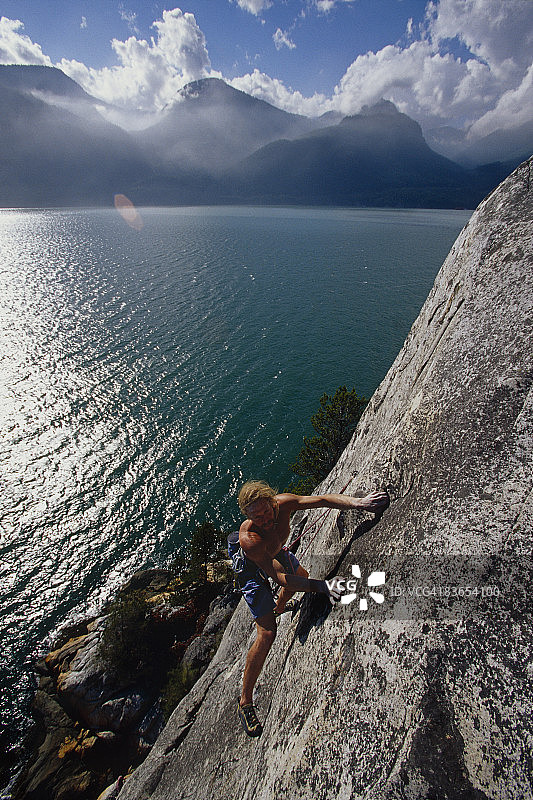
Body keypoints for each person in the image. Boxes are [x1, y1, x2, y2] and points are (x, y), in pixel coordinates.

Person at [229, 480, 389, 737]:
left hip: (272, 551)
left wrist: (359, 503)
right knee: (268, 634)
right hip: (251, 568)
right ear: (247, 517)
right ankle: (245, 701)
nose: (263, 519)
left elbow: (324, 500)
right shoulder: (251, 539)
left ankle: (280, 607)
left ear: (273, 503)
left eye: (265, 512)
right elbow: (278, 578)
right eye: (255, 516)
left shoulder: (284, 503)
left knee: (299, 578)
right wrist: (323, 586)